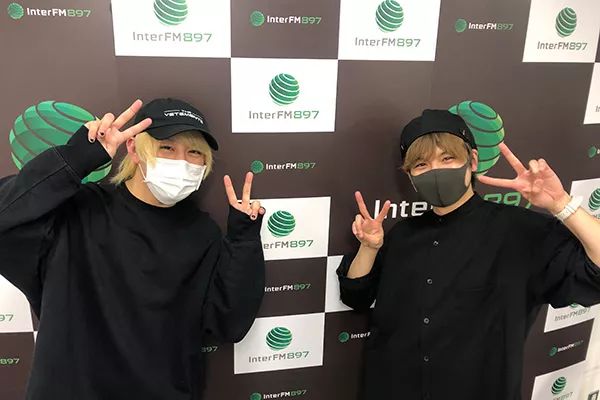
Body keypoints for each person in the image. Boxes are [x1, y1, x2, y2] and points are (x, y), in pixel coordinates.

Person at [0, 98, 266, 399]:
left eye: (194, 152)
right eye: (167, 147)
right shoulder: (76, 211)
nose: (182, 161)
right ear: (135, 149)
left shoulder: (202, 232)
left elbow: (229, 324)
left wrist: (243, 238)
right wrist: (79, 157)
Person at [337, 109, 600, 400]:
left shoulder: (523, 231)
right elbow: (355, 296)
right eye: (421, 164)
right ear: (410, 176)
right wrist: (369, 247)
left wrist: (561, 203)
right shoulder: (401, 235)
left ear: (472, 161)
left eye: (447, 158)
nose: (435, 170)